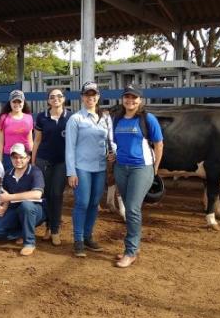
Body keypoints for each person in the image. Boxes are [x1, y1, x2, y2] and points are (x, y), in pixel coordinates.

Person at [112, 84, 164, 268]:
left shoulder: (147, 118)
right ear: (123, 99)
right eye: (127, 97)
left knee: (132, 209)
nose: (130, 100)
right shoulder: (117, 119)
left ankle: (130, 251)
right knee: (129, 208)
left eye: (134, 97)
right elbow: (116, 144)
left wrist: (154, 168)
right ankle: (134, 246)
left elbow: (159, 144)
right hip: (121, 168)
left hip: (141, 168)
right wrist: (113, 155)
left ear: (140, 100)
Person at [65, 81, 115, 257]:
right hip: (82, 167)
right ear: (82, 97)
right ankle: (78, 239)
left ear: (98, 97)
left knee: (94, 203)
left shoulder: (106, 118)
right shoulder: (76, 119)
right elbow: (69, 147)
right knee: (82, 203)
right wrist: (71, 172)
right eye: (87, 95)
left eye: (93, 95)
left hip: (100, 167)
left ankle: (88, 236)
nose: (90, 98)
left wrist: (113, 153)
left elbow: (111, 141)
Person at [0, 143, 46, 256]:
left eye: (21, 157)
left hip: (34, 210)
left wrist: (10, 197)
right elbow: (6, 194)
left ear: (28, 158)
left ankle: (29, 243)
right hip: (14, 209)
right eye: (15, 157)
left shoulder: (35, 172)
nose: (18, 160)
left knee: (26, 206)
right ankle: (21, 233)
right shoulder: (8, 174)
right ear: (11, 158)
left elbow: (37, 194)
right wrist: (4, 206)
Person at [31, 88, 72, 246]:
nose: (56, 99)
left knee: (56, 194)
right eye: (52, 97)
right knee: (45, 195)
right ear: (48, 100)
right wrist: (33, 162)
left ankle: (55, 229)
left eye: (59, 96)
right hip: (43, 160)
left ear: (63, 99)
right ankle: (48, 228)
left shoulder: (71, 118)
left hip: (62, 162)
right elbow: (37, 140)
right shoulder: (42, 117)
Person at [0, 89, 34, 172]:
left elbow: (30, 140)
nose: (17, 104)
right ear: (10, 103)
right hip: (9, 156)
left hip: (25, 156)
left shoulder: (29, 118)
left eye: (19, 102)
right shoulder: (3, 118)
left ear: (23, 103)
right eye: (14, 102)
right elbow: (0, 141)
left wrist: (32, 157)